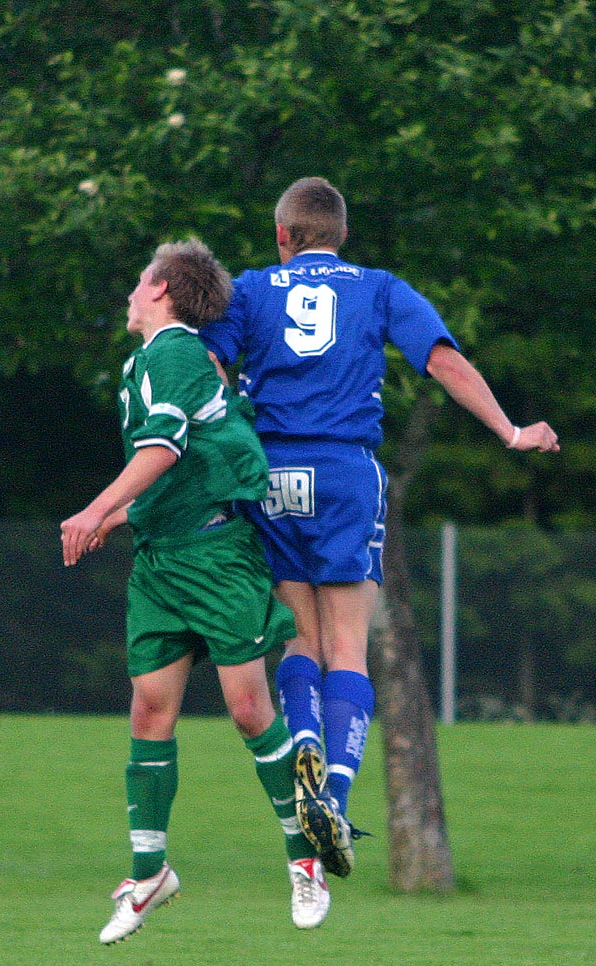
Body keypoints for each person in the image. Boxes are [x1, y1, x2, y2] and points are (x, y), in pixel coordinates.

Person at [200, 176, 560, 884]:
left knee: (295, 640)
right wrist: (511, 431)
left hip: (268, 470)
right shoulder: (381, 288)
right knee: (346, 647)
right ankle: (331, 793)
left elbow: (208, 363)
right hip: (342, 473)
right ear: (340, 235)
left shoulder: (246, 290)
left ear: (282, 236)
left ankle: (300, 748)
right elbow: (444, 363)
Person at [61, 238, 337, 942]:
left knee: (248, 710)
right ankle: (149, 873)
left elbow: (165, 449)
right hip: (161, 561)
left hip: (215, 559)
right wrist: (120, 517)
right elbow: (176, 469)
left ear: (159, 288)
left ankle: (303, 855)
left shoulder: (177, 352)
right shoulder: (147, 361)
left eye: (136, 283)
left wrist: (95, 508)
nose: (128, 295)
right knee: (149, 710)